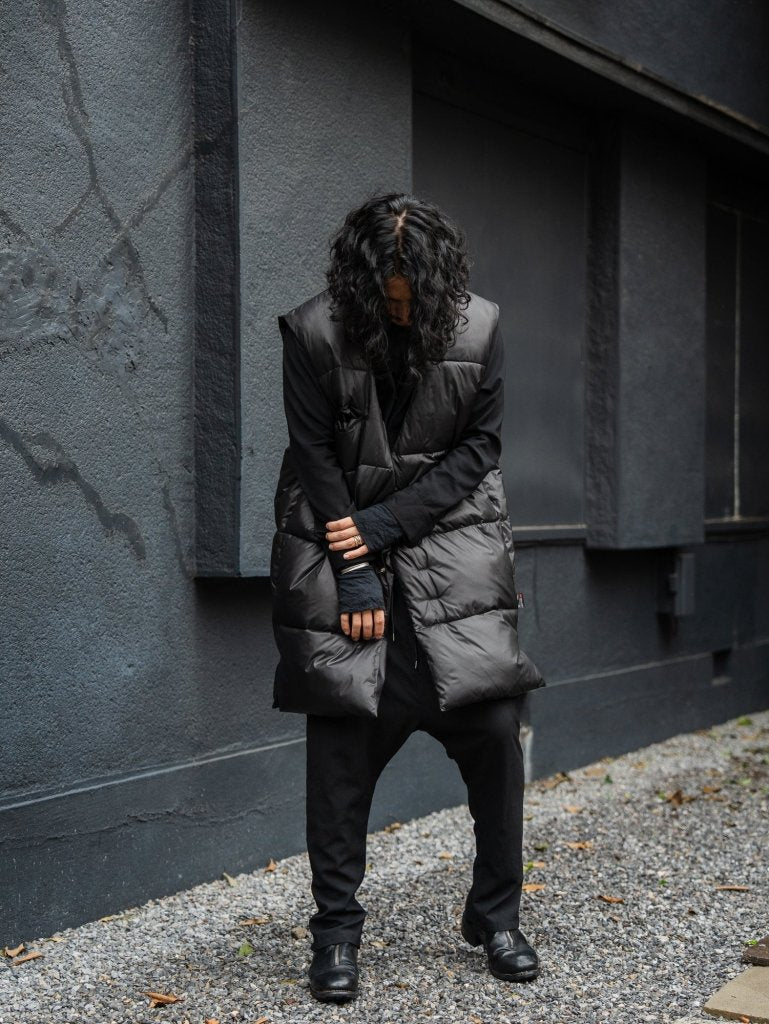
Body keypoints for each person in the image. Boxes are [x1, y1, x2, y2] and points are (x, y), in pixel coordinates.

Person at [270, 192, 545, 1004]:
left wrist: (384, 524)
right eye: (387, 297)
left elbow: (479, 449)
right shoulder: (312, 331)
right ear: (359, 284)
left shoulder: (479, 327)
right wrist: (354, 567)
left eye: (413, 298)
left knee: (495, 737)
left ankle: (495, 918)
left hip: (451, 554)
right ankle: (335, 935)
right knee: (339, 756)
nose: (401, 311)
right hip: (339, 552)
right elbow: (312, 452)